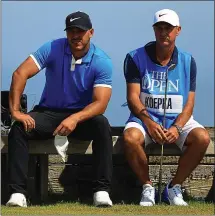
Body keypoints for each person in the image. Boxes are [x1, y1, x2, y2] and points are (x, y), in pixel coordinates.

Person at [6, 11, 113, 207]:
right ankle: (17, 193)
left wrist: (75, 118)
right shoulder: (53, 47)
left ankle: (101, 190)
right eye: (71, 31)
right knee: (19, 129)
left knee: (102, 125)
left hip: (81, 117)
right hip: (49, 112)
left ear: (91, 32)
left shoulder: (102, 60)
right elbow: (20, 74)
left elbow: (101, 104)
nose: (75, 36)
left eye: (80, 31)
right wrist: (15, 112)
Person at [123, 9, 210, 206]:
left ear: (178, 30)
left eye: (168, 28)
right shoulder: (134, 57)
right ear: (154, 30)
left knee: (202, 138)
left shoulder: (188, 61)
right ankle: (147, 187)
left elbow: (189, 104)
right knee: (130, 138)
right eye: (159, 28)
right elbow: (133, 98)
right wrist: (149, 123)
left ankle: (173, 188)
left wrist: (177, 128)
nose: (164, 33)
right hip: (144, 120)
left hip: (177, 120)